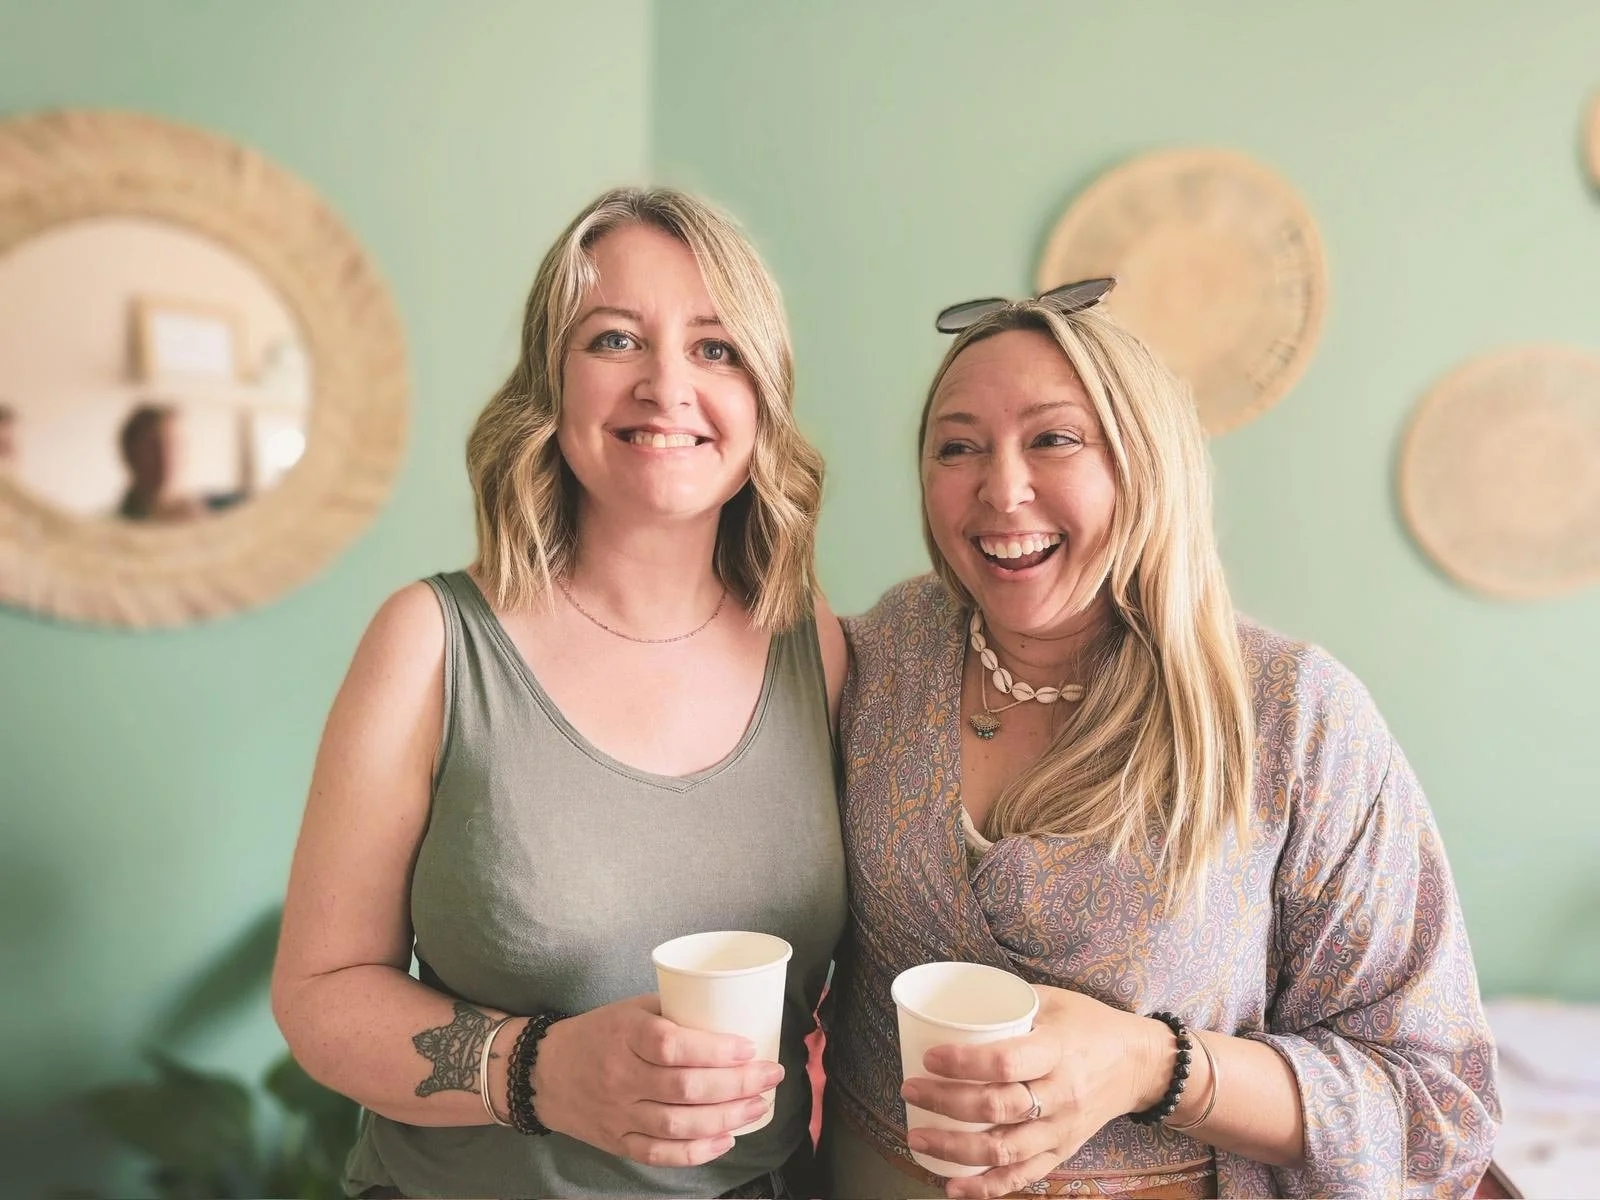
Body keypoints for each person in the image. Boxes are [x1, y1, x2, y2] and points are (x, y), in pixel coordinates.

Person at [822, 281, 1499, 1198]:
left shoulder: (1291, 715)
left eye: (1054, 438)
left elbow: (1434, 1102)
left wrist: (1154, 1066)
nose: (1001, 488)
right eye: (958, 447)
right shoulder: (877, 658)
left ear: (1145, 464)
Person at [271, 187, 847, 1199]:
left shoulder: (822, 652)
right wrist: (535, 1073)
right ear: (551, 380)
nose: (667, 386)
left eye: (716, 349)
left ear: (762, 394)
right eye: (614, 339)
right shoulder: (432, 643)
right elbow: (319, 997)